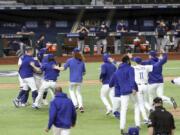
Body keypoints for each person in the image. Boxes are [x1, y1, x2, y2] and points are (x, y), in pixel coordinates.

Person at [110, 55, 140, 134]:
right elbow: (132, 79)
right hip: (131, 90)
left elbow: (111, 84)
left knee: (123, 110)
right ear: (127, 61)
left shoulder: (117, 71)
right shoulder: (130, 69)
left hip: (123, 92)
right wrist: (133, 88)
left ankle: (122, 128)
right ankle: (137, 125)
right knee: (136, 105)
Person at [60, 48, 86, 113]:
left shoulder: (69, 60)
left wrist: (57, 67)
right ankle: (81, 106)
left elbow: (63, 68)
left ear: (73, 53)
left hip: (72, 80)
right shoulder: (82, 61)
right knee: (78, 93)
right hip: (79, 80)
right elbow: (84, 72)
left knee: (71, 91)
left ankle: (75, 104)